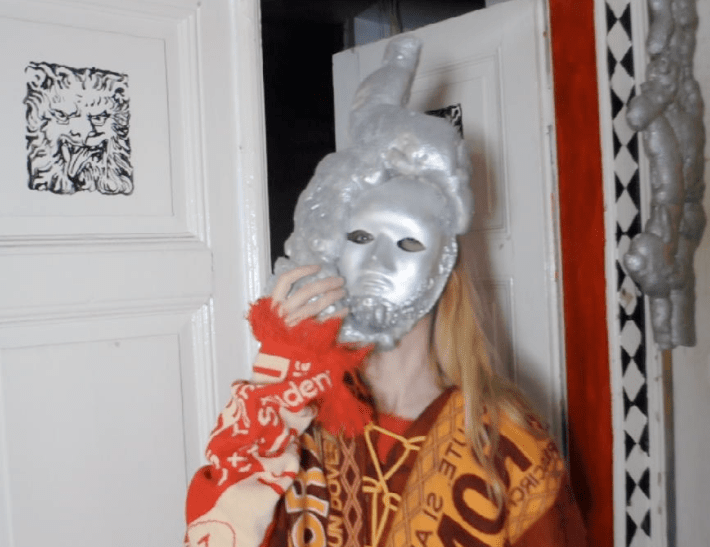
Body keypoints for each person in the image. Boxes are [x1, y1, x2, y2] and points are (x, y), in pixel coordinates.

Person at [185, 36, 586, 547]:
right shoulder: (296, 421)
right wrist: (276, 388)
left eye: (408, 242)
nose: (377, 261)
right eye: (359, 237)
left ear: (443, 267)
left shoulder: (509, 443)